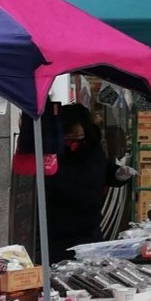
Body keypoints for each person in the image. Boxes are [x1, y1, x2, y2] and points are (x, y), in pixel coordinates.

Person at [42, 103, 113, 261]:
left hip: (80, 232)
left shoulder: (90, 150)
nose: (75, 132)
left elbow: (82, 185)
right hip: (67, 233)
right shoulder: (58, 149)